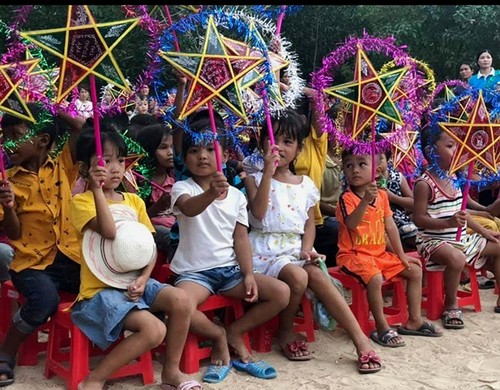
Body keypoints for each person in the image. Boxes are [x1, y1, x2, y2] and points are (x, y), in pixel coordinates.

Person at [245, 109, 382, 374]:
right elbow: (259, 214)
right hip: (264, 251)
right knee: (298, 277)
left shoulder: (305, 184)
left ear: (298, 148)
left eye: (288, 142)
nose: (280, 147)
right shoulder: (255, 179)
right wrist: (268, 174)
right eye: (274, 140)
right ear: (262, 143)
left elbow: (309, 224)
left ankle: (360, 341)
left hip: (294, 249)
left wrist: (307, 249)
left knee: (317, 276)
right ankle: (285, 333)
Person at [69, 124, 201, 390]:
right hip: (100, 290)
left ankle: (171, 372)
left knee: (181, 299)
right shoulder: (81, 202)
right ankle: (93, 379)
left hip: (134, 280)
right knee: (154, 330)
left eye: (119, 159)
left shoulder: (134, 201)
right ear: (86, 168)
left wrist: (143, 279)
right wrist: (97, 191)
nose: (116, 167)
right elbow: (108, 231)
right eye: (105, 161)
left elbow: (148, 248)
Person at [169, 112, 290, 383]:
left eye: (211, 149)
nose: (202, 156)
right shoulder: (181, 188)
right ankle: (218, 334)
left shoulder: (236, 195)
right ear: (185, 158)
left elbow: (241, 239)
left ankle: (235, 331)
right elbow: (189, 209)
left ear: (224, 156)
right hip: (194, 273)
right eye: (194, 150)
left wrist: (248, 274)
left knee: (281, 292)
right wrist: (211, 193)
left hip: (229, 271)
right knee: (180, 305)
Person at [0, 102, 85, 386]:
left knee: (104, 284)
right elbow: (12, 234)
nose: (7, 144)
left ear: (42, 140)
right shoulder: (7, 182)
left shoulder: (62, 165)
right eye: (5, 137)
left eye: (15, 135)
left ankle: (98, 344)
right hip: (31, 264)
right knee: (45, 301)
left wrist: (42, 101)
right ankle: (6, 353)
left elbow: (79, 127)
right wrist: (9, 207)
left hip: (69, 256)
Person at [336, 147, 443, 348]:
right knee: (375, 277)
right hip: (353, 255)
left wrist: (401, 256)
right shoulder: (346, 198)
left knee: (415, 270)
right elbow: (351, 224)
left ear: (375, 171)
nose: (355, 170)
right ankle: (382, 326)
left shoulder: (383, 197)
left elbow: (391, 226)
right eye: (349, 166)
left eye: (361, 164)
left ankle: (414, 321)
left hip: (379, 254)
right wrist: (366, 201)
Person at [413, 127, 500, 323]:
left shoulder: (453, 177)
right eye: (451, 146)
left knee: (498, 245)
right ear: (432, 151)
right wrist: (448, 222)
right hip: (433, 240)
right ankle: (451, 304)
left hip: (458, 238)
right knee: (456, 258)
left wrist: (484, 232)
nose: (457, 150)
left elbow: (463, 214)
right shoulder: (424, 184)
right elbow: (418, 219)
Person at [136, 123, 177, 259]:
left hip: (176, 224)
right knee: (170, 236)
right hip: (151, 228)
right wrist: (158, 206)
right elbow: (135, 219)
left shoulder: (175, 177)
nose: (170, 152)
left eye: (172, 147)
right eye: (163, 148)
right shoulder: (138, 181)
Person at [376, 150, 417, 251]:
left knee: (413, 236)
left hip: (399, 220)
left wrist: (392, 197)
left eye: (380, 159)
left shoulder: (397, 177)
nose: (376, 164)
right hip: (377, 221)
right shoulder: (365, 181)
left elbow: (414, 203)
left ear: (388, 159)